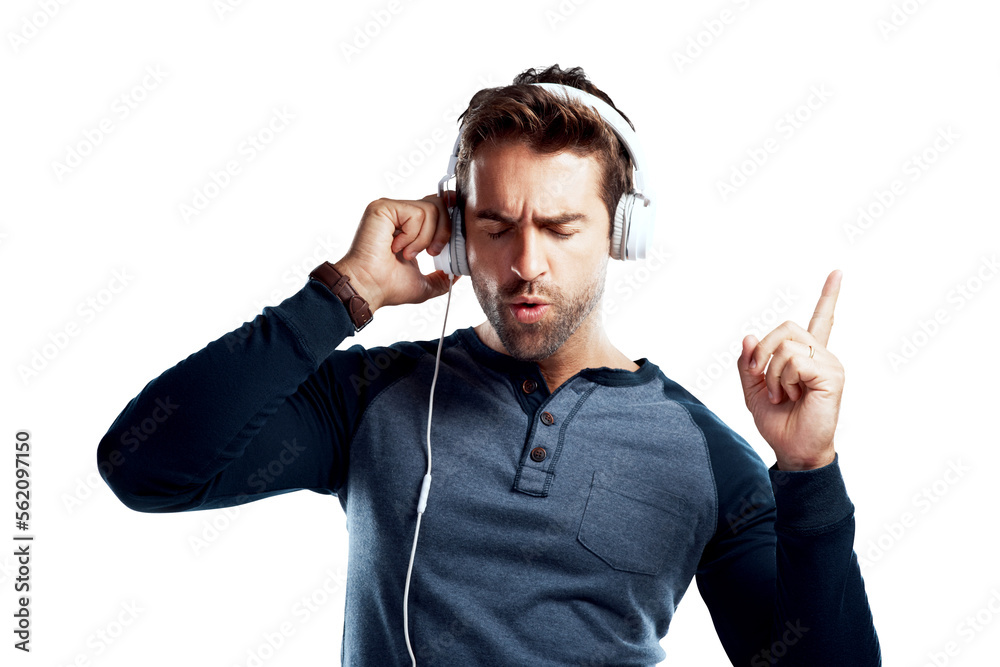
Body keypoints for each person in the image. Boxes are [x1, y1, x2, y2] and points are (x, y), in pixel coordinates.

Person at [96, 64, 881, 666]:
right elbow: (147, 466)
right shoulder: (376, 397)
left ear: (620, 231)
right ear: (459, 234)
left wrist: (808, 467)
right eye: (496, 227)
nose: (526, 263)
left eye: (561, 226)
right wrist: (344, 294)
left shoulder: (706, 457)